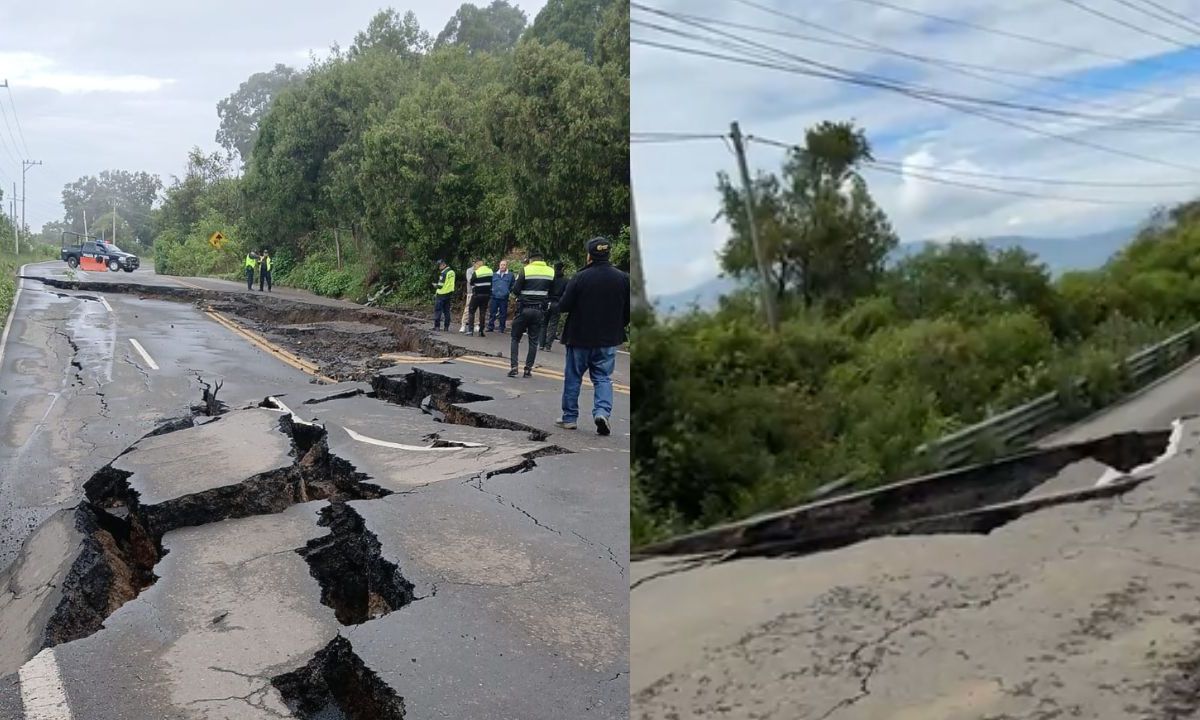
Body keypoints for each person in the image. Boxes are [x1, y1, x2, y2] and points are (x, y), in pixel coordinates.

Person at [555, 237, 630, 436]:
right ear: (608, 253)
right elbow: (628, 310)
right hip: (607, 339)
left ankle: (569, 418)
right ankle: (602, 412)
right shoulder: (622, 278)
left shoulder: (580, 277)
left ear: (589, 255)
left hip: (579, 337)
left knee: (573, 377)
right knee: (603, 377)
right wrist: (618, 326)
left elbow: (564, 306)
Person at [508, 252, 555, 378]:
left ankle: (514, 366)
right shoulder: (551, 272)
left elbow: (516, 290)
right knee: (533, 341)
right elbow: (552, 291)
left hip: (524, 309)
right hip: (539, 310)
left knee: (515, 338)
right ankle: (528, 369)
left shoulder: (525, 270)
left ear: (530, 260)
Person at [540, 261, 568, 351]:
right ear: (562, 268)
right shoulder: (565, 281)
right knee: (553, 324)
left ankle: (541, 344)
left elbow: (544, 289)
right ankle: (548, 345)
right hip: (557, 303)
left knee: (544, 323)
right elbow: (566, 294)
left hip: (547, 302)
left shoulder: (550, 279)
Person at [487, 260, 515, 333]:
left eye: (504, 265)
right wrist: (491, 291)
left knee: (503, 313)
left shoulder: (510, 275)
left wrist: (508, 292)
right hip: (494, 296)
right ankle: (490, 327)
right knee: (492, 312)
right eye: (501, 265)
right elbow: (490, 284)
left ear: (506, 266)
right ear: (499, 266)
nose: (502, 266)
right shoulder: (494, 274)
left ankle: (501, 328)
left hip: (504, 297)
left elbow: (513, 285)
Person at [467, 259, 493, 337]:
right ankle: (481, 331)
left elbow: (471, 282)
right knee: (483, 313)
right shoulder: (490, 271)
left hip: (477, 295)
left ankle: (470, 331)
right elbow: (492, 282)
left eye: (475, 266)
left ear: (478, 265)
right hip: (486, 295)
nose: (475, 267)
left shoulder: (477, 272)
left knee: (471, 311)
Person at [431, 259, 455, 331]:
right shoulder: (452, 272)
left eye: (440, 266)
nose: (439, 267)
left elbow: (440, 285)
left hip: (441, 294)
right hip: (449, 293)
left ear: (444, 265)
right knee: (447, 311)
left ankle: (437, 327)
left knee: (438, 310)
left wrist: (435, 285)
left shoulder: (443, 273)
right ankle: (446, 327)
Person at [459, 261, 477, 333]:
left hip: (478, 292)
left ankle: (476, 324)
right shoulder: (469, 270)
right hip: (471, 292)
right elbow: (470, 280)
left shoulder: (481, 270)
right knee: (467, 308)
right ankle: (463, 324)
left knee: (477, 310)